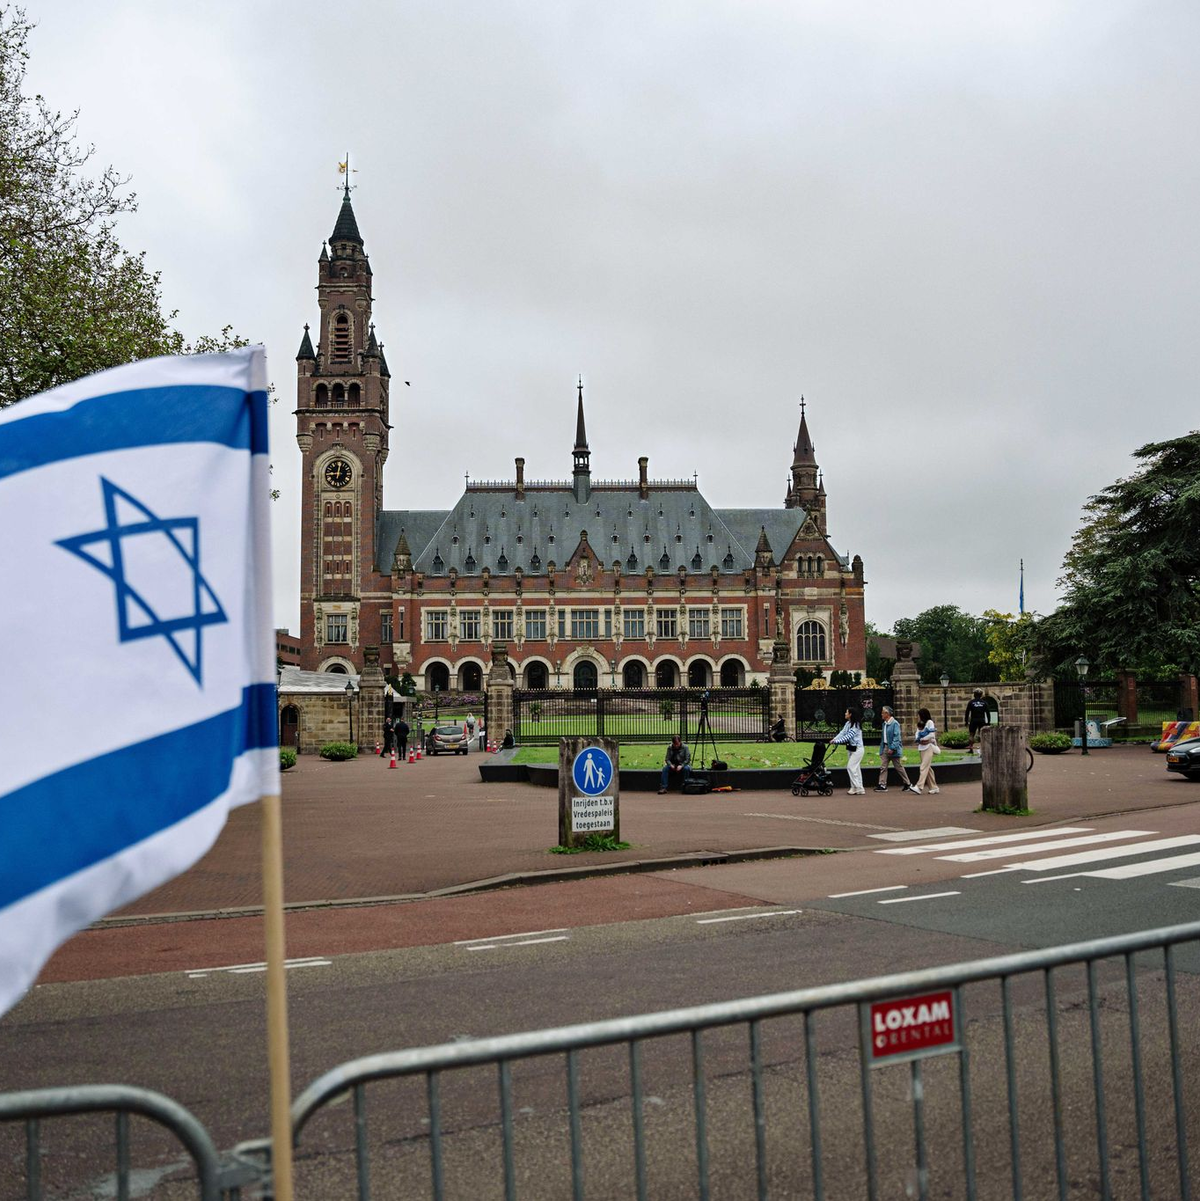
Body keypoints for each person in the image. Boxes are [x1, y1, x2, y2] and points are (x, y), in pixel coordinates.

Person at [875, 706, 918, 793]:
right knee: (883, 767)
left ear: (887, 714)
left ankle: (908, 783)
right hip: (885, 747)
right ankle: (882, 784)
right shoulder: (885, 724)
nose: (881, 714)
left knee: (898, 767)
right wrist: (882, 749)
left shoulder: (895, 724)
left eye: (883, 712)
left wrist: (892, 748)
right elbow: (884, 738)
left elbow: (897, 737)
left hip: (892, 749)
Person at [832, 705, 865, 795]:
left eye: (846, 712)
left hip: (858, 749)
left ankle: (858, 787)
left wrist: (837, 741)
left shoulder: (856, 725)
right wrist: (835, 739)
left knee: (850, 767)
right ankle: (855, 787)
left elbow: (848, 736)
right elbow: (842, 733)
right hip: (851, 748)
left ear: (850, 714)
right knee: (856, 769)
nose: (845, 713)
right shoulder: (848, 724)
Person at [914, 707, 940, 795]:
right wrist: (919, 739)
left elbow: (932, 734)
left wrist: (923, 739)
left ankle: (919, 787)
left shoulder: (929, 722)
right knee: (928, 768)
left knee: (923, 767)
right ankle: (934, 787)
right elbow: (917, 733)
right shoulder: (920, 723)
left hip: (928, 746)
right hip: (922, 747)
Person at [965, 689, 989, 754]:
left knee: (971, 735)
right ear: (981, 695)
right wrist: (988, 722)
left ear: (974, 694)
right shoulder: (984, 703)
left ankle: (971, 749)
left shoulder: (971, 702)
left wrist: (966, 721)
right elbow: (988, 713)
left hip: (974, 720)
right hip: (982, 720)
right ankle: (983, 750)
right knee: (983, 735)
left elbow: (967, 712)